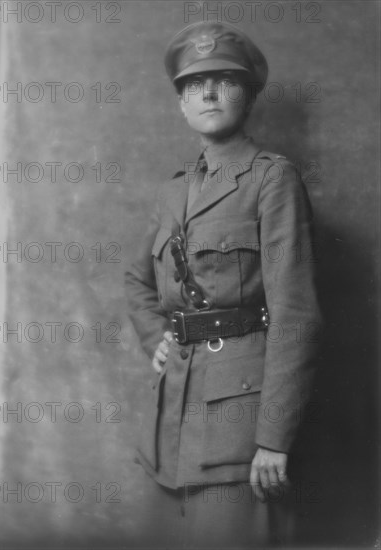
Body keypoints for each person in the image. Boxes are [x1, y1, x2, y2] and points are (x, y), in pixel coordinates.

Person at [125, 21, 321, 548]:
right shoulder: (172, 192)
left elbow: (296, 315)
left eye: (225, 81)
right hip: (171, 422)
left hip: (238, 425)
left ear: (249, 94)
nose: (208, 92)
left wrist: (274, 438)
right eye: (193, 85)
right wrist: (154, 340)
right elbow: (135, 279)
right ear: (182, 104)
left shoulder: (271, 179)